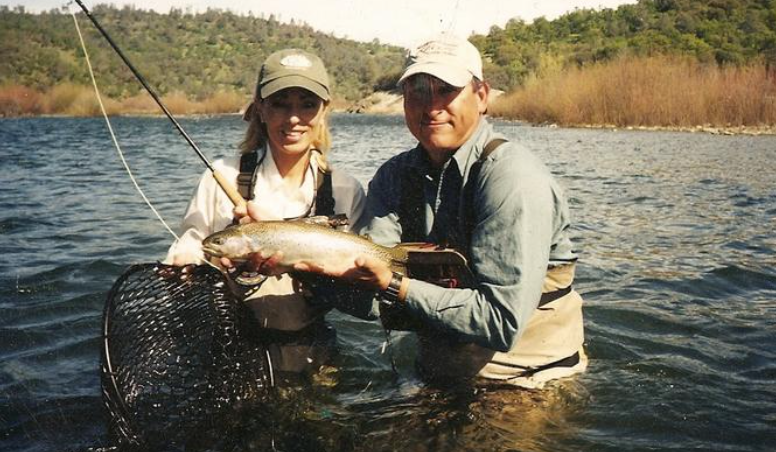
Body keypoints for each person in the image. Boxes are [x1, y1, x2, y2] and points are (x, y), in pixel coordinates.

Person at [298, 34, 587, 389]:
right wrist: (301, 270)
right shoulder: (393, 177)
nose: (431, 106)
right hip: (437, 373)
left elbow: (501, 322)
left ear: (481, 97)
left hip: (526, 381)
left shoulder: (512, 179)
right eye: (417, 91)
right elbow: (376, 302)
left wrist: (394, 284)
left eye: (446, 90)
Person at [164, 48, 366, 380]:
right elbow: (192, 244)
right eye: (280, 104)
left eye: (307, 104)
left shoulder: (347, 190)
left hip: (312, 346)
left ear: (324, 110)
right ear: (260, 108)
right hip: (230, 344)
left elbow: (356, 290)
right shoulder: (221, 177)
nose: (293, 118)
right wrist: (182, 265)